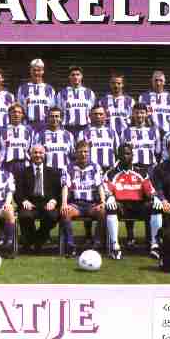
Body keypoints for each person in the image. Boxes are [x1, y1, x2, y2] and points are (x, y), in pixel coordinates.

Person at [104, 144, 164, 260]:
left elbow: (149, 190)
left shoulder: (141, 172)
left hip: (138, 206)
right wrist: (110, 196)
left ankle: (155, 245)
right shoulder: (111, 173)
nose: (125, 156)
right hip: (121, 206)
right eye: (122, 154)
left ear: (132, 155)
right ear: (117, 156)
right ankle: (115, 246)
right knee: (111, 206)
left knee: (155, 206)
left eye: (128, 153)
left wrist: (155, 197)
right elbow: (107, 189)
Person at [120, 103, 161, 243]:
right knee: (130, 199)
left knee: (149, 201)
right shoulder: (126, 132)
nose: (139, 115)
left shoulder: (153, 131)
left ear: (147, 114)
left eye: (142, 112)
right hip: (133, 169)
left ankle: (150, 236)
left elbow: (157, 152)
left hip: (149, 169)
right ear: (133, 114)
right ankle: (130, 235)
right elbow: (123, 152)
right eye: (137, 113)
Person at [78, 103, 119, 244]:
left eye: (101, 114)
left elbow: (117, 151)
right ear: (90, 116)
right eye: (95, 114)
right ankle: (88, 234)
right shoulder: (83, 133)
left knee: (107, 202)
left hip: (108, 171)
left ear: (105, 116)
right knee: (89, 200)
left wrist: (112, 170)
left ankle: (106, 236)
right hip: (90, 171)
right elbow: (80, 152)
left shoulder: (112, 132)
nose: (98, 116)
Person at [60, 140, 106, 258]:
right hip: (76, 205)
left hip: (91, 204)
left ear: (89, 152)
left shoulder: (95, 167)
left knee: (102, 211)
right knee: (65, 212)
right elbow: (65, 186)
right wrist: (64, 203)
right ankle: (70, 245)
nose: (83, 154)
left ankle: (97, 243)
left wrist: (103, 201)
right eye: (80, 152)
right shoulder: (68, 167)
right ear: (75, 153)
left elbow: (100, 185)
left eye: (86, 152)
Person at [15, 144, 61, 253]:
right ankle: (34, 241)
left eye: (40, 153)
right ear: (31, 155)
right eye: (35, 152)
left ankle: (37, 239)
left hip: (47, 203)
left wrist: (54, 201)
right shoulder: (23, 172)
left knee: (52, 216)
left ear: (44, 155)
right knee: (24, 216)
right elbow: (17, 191)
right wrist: (23, 201)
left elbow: (59, 191)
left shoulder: (53, 172)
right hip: (30, 203)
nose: (38, 155)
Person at [56, 66, 96, 140]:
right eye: (73, 75)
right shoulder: (62, 93)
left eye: (78, 74)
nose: (75, 77)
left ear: (81, 76)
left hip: (85, 128)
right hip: (68, 128)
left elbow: (92, 111)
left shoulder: (90, 93)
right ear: (69, 77)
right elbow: (59, 112)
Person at [16, 58, 56, 132]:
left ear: (43, 71)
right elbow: (19, 108)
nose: (36, 73)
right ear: (30, 71)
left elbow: (52, 109)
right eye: (34, 70)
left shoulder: (50, 89)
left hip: (45, 125)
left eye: (39, 70)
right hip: (28, 125)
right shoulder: (22, 89)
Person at [0, 103, 34, 181]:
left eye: (19, 112)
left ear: (22, 115)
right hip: (6, 165)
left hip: (24, 165)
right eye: (14, 112)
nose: (16, 114)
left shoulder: (28, 130)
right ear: (9, 114)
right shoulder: (1, 130)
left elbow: (31, 149)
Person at [138, 70, 170, 139]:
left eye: (161, 80)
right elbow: (141, 117)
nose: (158, 83)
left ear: (164, 82)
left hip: (169, 133)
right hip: (151, 133)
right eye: (156, 80)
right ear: (152, 81)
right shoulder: (143, 97)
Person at [33, 106, 75, 171]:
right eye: (52, 116)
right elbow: (35, 155)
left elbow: (72, 155)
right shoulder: (40, 135)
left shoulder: (69, 135)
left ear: (61, 119)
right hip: (47, 172)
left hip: (64, 172)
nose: (54, 119)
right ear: (48, 118)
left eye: (57, 116)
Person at [99, 72, 135, 138]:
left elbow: (133, 119)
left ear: (123, 84)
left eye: (119, 83)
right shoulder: (102, 101)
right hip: (108, 135)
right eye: (113, 83)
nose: (116, 86)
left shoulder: (130, 101)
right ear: (110, 84)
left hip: (126, 135)